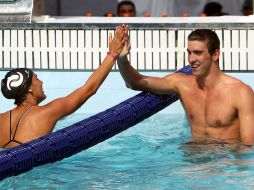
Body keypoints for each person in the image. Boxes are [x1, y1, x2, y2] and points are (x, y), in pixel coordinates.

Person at [117, 26, 254, 146]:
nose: (191, 59)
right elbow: (135, 82)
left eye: (198, 53)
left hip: (224, 164)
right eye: (189, 52)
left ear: (215, 54)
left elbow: (249, 144)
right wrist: (122, 58)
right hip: (191, 159)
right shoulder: (182, 84)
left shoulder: (241, 92)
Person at [0, 25, 128, 149]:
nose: (41, 82)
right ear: (29, 89)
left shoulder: (2, 119)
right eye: (36, 78)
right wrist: (112, 54)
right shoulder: (47, 112)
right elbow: (89, 90)